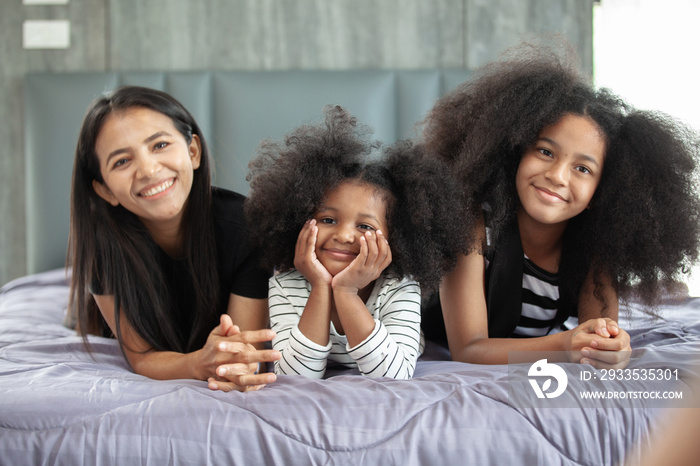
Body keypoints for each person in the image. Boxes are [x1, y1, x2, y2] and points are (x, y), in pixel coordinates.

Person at [419, 40, 700, 368]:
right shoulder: (472, 223)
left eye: (582, 169)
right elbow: (468, 349)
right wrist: (566, 345)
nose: (557, 176)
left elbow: (600, 334)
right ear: (515, 152)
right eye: (545, 152)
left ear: (603, 191)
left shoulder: (594, 249)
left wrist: (610, 345)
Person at [68, 86, 280, 392]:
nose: (149, 170)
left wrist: (236, 365)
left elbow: (240, 352)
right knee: (84, 318)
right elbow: (142, 359)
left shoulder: (244, 226)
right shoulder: (100, 250)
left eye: (160, 145)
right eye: (121, 162)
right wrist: (196, 364)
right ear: (105, 190)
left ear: (193, 151)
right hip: (117, 318)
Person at [244, 105, 470, 379]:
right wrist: (319, 287)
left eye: (364, 226)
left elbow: (393, 376)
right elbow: (297, 377)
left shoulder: (399, 287)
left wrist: (347, 292)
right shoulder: (286, 284)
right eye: (328, 219)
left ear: (396, 239)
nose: (344, 236)